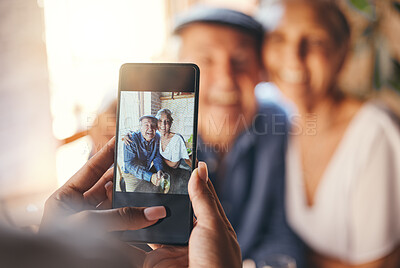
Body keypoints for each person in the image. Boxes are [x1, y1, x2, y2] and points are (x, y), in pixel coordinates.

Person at [260, 0, 400, 267]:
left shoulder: (375, 135)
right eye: (278, 38)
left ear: (342, 51)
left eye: (314, 41)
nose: (293, 57)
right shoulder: (282, 121)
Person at [174, 6, 305, 266]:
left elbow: (284, 236)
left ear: (261, 71)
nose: (226, 79)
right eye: (207, 60)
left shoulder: (280, 125)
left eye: (241, 60)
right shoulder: (156, 133)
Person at [0, 137, 241, 267]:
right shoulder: (132, 141)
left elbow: (156, 160)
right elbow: (133, 167)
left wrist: (158, 173)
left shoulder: (161, 141)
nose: (154, 128)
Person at [124, 115, 164, 186]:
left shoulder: (157, 137)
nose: (150, 128)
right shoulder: (131, 139)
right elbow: (129, 165)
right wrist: (150, 176)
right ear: (140, 127)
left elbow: (157, 156)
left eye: (153, 125)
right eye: (146, 125)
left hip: (146, 172)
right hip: (131, 175)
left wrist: (159, 169)